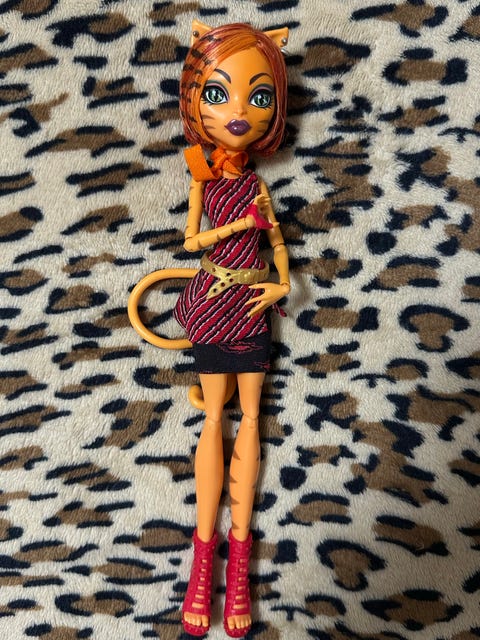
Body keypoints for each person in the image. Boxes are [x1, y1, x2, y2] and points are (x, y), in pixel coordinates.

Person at [129, 19, 290, 637]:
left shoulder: (256, 184)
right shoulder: (204, 179)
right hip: (213, 301)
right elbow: (192, 240)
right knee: (215, 416)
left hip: (251, 305)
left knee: (251, 419)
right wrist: (237, 228)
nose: (240, 112)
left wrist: (280, 284)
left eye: (259, 95)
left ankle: (238, 564)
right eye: (219, 94)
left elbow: (279, 246)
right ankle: (203, 564)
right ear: (196, 100)